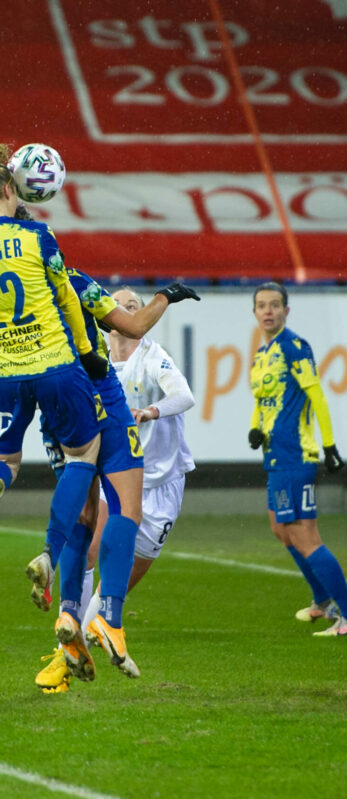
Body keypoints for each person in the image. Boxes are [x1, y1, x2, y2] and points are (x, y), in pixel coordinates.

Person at [28, 263, 199, 691]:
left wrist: (151, 410)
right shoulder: (96, 365)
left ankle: (86, 632)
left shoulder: (151, 356)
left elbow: (186, 395)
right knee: (87, 554)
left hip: (162, 487)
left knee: (113, 581)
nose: (124, 310)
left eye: (132, 306)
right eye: (120, 305)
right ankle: (67, 652)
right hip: (120, 482)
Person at [1, 151, 107, 681]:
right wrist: (88, 351)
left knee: (6, 459)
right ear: (12, 188)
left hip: (4, 370)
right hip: (54, 366)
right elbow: (67, 299)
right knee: (82, 455)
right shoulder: (38, 237)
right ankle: (48, 550)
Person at [249, 281, 347, 637]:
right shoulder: (262, 354)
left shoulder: (294, 347)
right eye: (261, 305)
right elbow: (262, 400)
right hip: (276, 456)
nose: (268, 311)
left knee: (304, 536)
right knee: (280, 530)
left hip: (296, 455)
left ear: (286, 310)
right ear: (255, 313)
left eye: (274, 305)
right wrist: (255, 427)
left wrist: (329, 446)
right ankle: (323, 601)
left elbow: (317, 396)